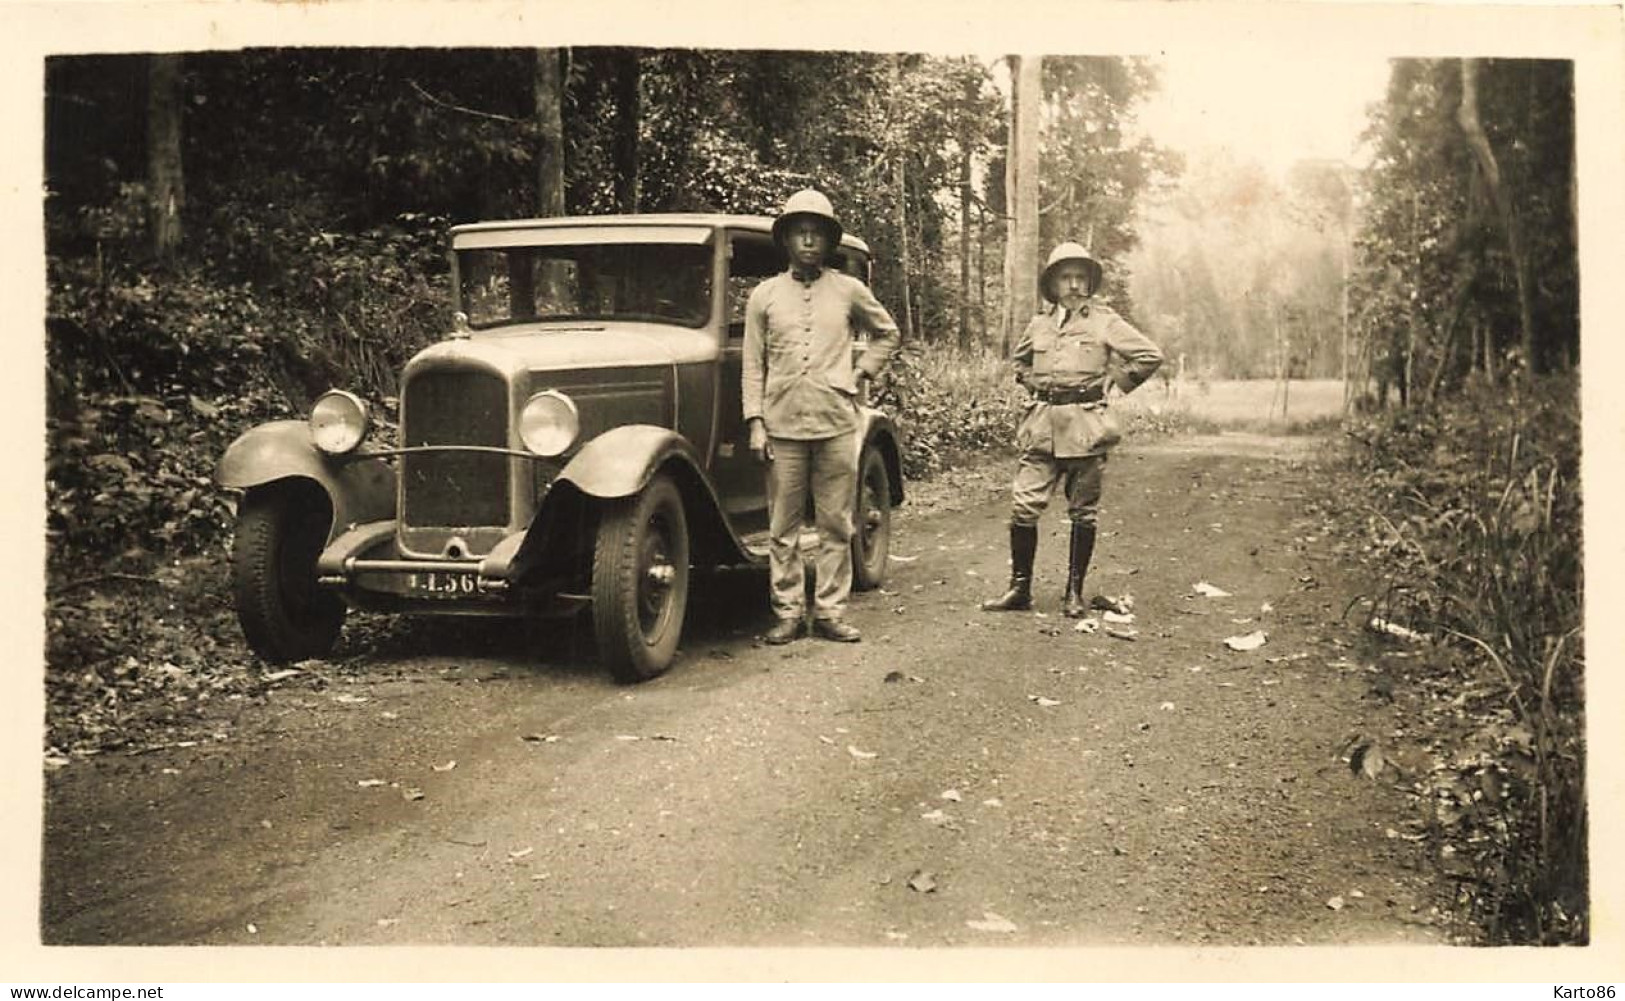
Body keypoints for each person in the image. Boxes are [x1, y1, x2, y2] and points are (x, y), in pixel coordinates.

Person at [742, 189, 901, 644]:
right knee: (782, 528)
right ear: (787, 240)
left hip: (836, 424)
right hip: (782, 426)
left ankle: (830, 611)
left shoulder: (849, 290)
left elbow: (887, 334)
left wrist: (860, 370)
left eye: (816, 234)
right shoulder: (764, 296)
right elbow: (753, 364)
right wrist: (756, 422)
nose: (808, 241)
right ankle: (789, 612)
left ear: (828, 242)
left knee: (836, 523)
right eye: (800, 233)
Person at [982, 241, 1163, 617]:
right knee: (1023, 507)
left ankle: (1074, 593)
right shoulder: (1039, 324)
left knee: (1083, 511)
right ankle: (1019, 589)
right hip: (1041, 426)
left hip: (1086, 426)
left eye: (1081, 277)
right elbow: (1019, 362)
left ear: (1089, 283)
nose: (1074, 285)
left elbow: (1149, 355)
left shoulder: (1104, 321)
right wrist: (1033, 384)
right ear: (1053, 283)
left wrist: (1116, 382)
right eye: (1066, 277)